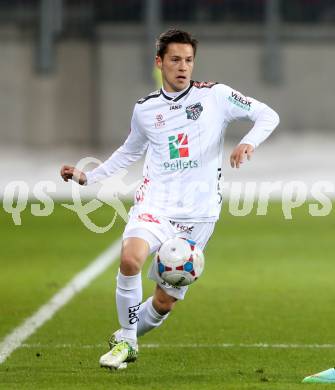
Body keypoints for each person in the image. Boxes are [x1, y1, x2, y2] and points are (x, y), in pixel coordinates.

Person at [60, 28, 280, 370]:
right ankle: (128, 341)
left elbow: (268, 114)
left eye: (189, 60)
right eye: (175, 60)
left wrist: (248, 142)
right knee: (130, 260)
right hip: (155, 205)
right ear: (159, 62)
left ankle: (125, 337)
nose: (183, 67)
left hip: (198, 216)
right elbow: (128, 152)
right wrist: (90, 176)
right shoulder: (145, 110)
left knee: (163, 303)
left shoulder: (216, 96)